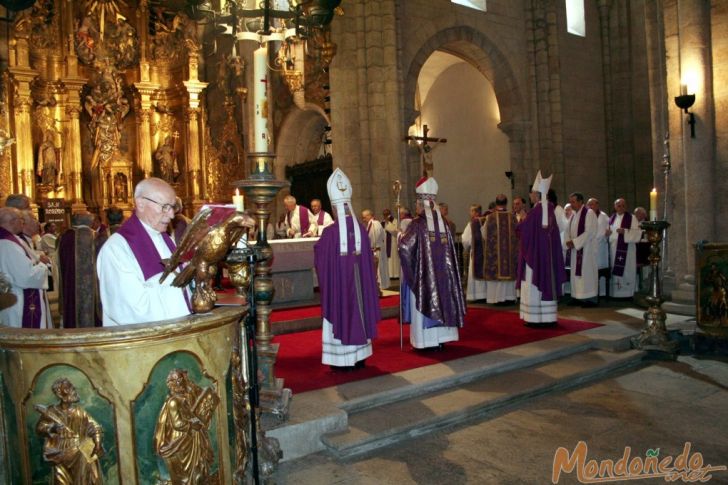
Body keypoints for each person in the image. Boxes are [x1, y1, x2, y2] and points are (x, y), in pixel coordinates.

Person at [97, 177, 190, 325]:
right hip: (139, 342)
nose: (171, 215)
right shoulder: (116, 248)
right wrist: (183, 289)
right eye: (165, 207)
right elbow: (131, 309)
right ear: (140, 203)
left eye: (173, 208)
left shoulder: (165, 239)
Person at [314, 168, 381, 370]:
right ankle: (360, 357)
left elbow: (320, 259)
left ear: (334, 208)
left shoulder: (330, 233)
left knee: (342, 308)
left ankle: (342, 361)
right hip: (360, 288)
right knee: (359, 310)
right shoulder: (361, 229)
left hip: (341, 290)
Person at [399, 177, 465, 350]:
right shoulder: (443, 223)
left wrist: (399, 237)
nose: (415, 206)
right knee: (443, 298)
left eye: (416, 203)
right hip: (443, 276)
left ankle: (427, 342)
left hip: (425, 277)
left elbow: (405, 248)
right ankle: (442, 338)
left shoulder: (418, 224)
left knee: (425, 299)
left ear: (421, 204)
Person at [516, 172, 567, 327]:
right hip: (547, 257)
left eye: (531, 193)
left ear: (538, 195)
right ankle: (548, 317)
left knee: (533, 284)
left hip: (535, 257)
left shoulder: (536, 211)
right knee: (547, 281)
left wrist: (520, 221)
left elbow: (523, 230)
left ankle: (535, 318)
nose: (530, 195)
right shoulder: (549, 209)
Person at [35, 378, 104, 484]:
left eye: (72, 387)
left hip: (79, 454)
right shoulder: (52, 411)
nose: (73, 390)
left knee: (83, 480)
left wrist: (98, 444)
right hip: (60, 455)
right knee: (61, 481)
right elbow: (40, 428)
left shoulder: (79, 412)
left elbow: (95, 427)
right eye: (69, 388)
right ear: (60, 393)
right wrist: (53, 428)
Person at [154, 369, 215, 484]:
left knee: (198, 469)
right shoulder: (173, 402)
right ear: (171, 384)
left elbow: (191, 413)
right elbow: (177, 424)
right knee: (185, 476)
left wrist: (196, 420)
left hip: (191, 438)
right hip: (180, 441)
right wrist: (192, 424)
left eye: (180, 379)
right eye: (175, 380)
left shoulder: (185, 398)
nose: (179, 383)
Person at [0, 207, 52, 328]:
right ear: (12, 221)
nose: (22, 223)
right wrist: (42, 265)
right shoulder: (9, 244)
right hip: (19, 300)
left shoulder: (9, 240)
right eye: (21, 219)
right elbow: (26, 276)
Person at [58, 212, 101, 328]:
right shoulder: (96, 236)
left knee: (72, 306)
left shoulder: (64, 237)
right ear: (90, 222)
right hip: (93, 286)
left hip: (70, 284)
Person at [483, 195, 519, 304]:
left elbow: (484, 234)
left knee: (497, 269)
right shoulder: (512, 217)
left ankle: (495, 298)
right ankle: (509, 297)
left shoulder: (490, 217)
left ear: (496, 203)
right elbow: (518, 234)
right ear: (506, 203)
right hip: (509, 255)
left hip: (496, 255)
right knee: (508, 268)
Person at [565, 192, 598, 307]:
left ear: (580, 202)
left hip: (587, 250)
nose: (571, 204)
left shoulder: (589, 213)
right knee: (576, 274)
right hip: (576, 250)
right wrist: (568, 241)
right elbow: (568, 231)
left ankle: (590, 299)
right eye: (570, 202)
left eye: (573, 202)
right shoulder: (574, 215)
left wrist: (574, 242)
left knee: (587, 273)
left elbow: (589, 232)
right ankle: (577, 296)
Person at [607, 198, 642, 298]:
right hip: (614, 249)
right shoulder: (611, 219)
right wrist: (607, 233)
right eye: (618, 205)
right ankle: (616, 294)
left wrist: (625, 232)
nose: (621, 207)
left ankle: (628, 293)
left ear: (626, 207)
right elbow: (609, 234)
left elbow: (638, 233)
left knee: (627, 270)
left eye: (623, 205)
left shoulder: (632, 218)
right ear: (615, 207)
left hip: (628, 250)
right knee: (615, 270)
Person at [461, 204, 487, 301]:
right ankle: (485, 294)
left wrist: (467, 247)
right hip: (486, 253)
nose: (470, 213)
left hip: (476, 251)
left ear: (476, 212)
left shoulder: (472, 224)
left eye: (471, 211)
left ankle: (477, 295)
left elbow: (465, 240)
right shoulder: (486, 221)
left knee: (474, 272)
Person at [362, 209, 390, 292]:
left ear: (369, 215)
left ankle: (380, 285)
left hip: (377, 249)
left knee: (379, 268)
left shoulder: (375, 223)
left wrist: (372, 247)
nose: (363, 219)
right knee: (378, 269)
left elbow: (375, 236)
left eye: (364, 217)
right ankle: (380, 285)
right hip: (375, 249)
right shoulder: (370, 224)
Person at [587, 197, 610, 297]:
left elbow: (602, 232)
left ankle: (602, 293)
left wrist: (590, 241)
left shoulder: (603, 217)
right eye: (589, 205)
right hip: (590, 246)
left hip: (600, 248)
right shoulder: (588, 216)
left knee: (599, 271)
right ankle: (592, 292)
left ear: (597, 205)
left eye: (592, 204)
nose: (590, 207)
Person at [382, 208, 400, 279]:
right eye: (384, 214)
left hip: (393, 243)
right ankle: (389, 275)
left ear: (390, 214)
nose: (385, 216)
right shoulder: (382, 222)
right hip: (385, 244)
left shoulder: (395, 221)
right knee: (387, 259)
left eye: (387, 214)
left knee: (394, 259)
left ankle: (396, 274)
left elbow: (396, 232)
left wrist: (388, 223)